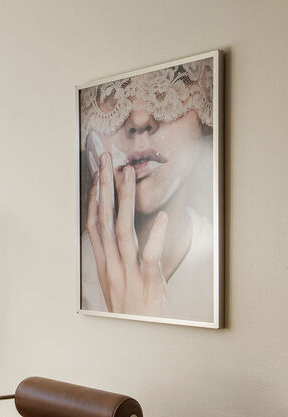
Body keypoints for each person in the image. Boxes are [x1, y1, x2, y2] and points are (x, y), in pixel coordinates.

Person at [79, 58, 215, 323]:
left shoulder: (239, 274)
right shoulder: (57, 273)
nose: (139, 119)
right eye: (113, 95)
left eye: (171, 81)